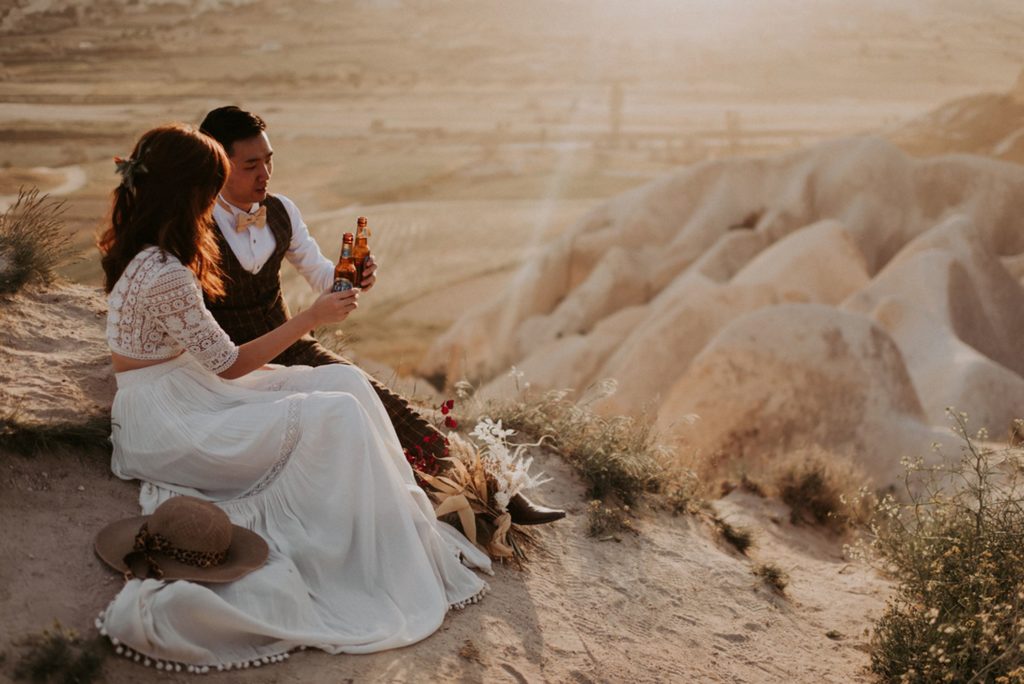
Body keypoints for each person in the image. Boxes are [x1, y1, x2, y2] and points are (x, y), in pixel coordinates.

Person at [95, 123, 491, 671]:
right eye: (213, 184)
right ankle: (356, 551)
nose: (217, 198)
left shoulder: (156, 249)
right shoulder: (165, 272)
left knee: (348, 383)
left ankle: (395, 526)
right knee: (333, 415)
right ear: (187, 192)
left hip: (185, 385)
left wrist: (336, 290)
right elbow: (229, 364)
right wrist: (310, 318)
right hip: (168, 414)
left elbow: (224, 350)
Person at [197, 105, 565, 525]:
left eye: (269, 160)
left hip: (292, 345)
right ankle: (443, 501)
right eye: (251, 165)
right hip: (233, 362)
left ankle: (488, 491)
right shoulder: (194, 226)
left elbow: (320, 274)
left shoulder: (282, 211)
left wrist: (350, 278)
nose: (265, 173)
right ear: (216, 163)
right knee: (351, 418)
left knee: (384, 400)